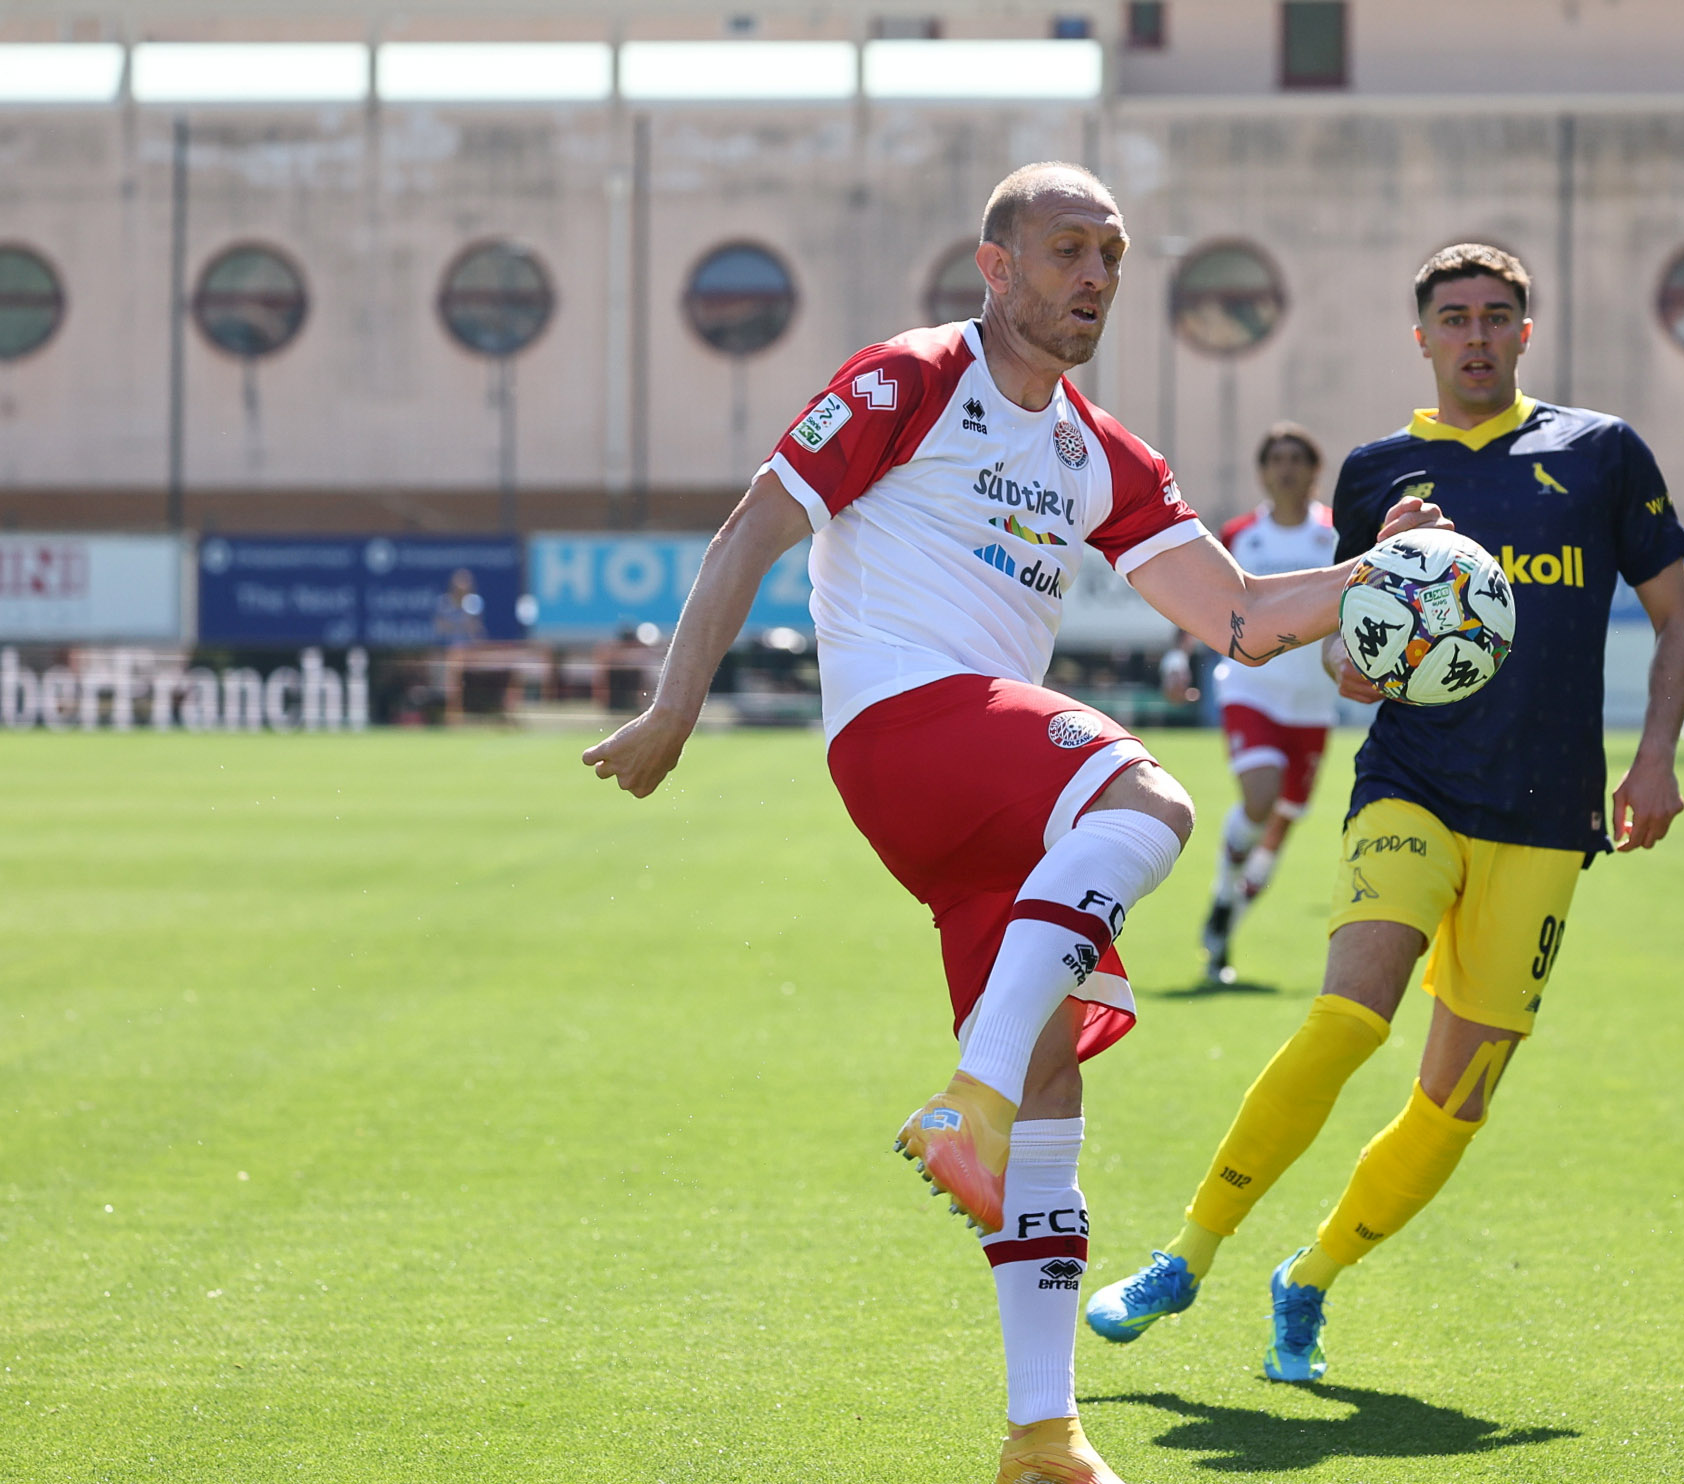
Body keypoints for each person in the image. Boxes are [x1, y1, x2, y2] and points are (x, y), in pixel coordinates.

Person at [580, 162, 1445, 1484]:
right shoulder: (913, 378)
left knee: (1054, 1094)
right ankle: (962, 1105)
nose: (1094, 276)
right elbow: (752, 529)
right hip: (907, 728)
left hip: (988, 805)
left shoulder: (1098, 452)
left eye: (1111, 254)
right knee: (1149, 799)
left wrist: (1378, 572)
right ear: (995, 266)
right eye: (1065, 250)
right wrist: (671, 711)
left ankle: (1044, 1433)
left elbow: (1240, 616)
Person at [1087, 242, 1684, 1385]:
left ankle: (1310, 1276)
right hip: (1412, 782)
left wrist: (1655, 757)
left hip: (1546, 809)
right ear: (1421, 337)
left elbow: (1680, 620)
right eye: (1454, 317)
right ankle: (1186, 1254)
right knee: (1347, 1018)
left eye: (1496, 314)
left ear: (1526, 330)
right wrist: (1381, 574)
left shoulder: (1601, 453)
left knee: (1456, 1099)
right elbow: (1350, 666)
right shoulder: (1380, 475)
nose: (1476, 334)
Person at [1192, 424, 1345, 984]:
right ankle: (1221, 893)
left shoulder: (1336, 535)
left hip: (1313, 703)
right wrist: (1179, 653)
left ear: (1314, 470)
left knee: (1279, 830)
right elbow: (1205, 597)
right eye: (1276, 459)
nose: (1286, 469)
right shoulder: (1241, 535)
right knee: (1260, 798)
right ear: (1262, 471)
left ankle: (1223, 924)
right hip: (1251, 687)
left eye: (1296, 459)